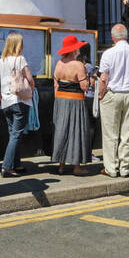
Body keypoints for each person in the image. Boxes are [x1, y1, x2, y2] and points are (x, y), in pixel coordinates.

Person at [97, 23, 129, 178]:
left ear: (113, 37)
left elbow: (103, 78)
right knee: (128, 133)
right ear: (126, 36)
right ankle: (125, 168)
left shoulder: (108, 54)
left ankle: (111, 168)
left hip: (113, 94)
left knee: (110, 134)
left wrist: (101, 95)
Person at [52, 35, 93, 175]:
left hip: (61, 100)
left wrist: (57, 101)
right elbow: (84, 87)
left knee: (62, 131)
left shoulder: (59, 63)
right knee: (76, 131)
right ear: (74, 49)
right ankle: (77, 167)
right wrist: (89, 79)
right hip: (76, 101)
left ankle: (61, 166)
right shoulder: (78, 65)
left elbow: (56, 84)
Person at [0, 34, 33, 177]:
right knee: (16, 135)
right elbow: (29, 79)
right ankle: (6, 167)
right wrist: (31, 89)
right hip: (19, 101)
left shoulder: (2, 61)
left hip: (6, 102)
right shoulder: (20, 59)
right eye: (21, 43)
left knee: (13, 134)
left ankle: (16, 164)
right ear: (18, 45)